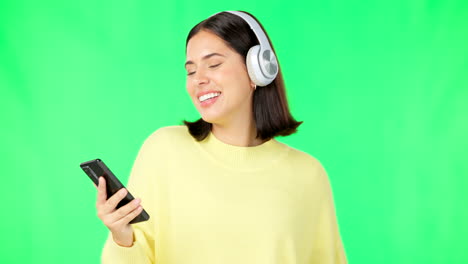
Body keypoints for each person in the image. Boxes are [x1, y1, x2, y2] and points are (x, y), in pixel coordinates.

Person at [96, 10, 347, 264]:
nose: (199, 80)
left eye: (214, 64)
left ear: (258, 70)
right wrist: (122, 238)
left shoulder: (308, 175)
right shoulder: (164, 150)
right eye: (191, 71)